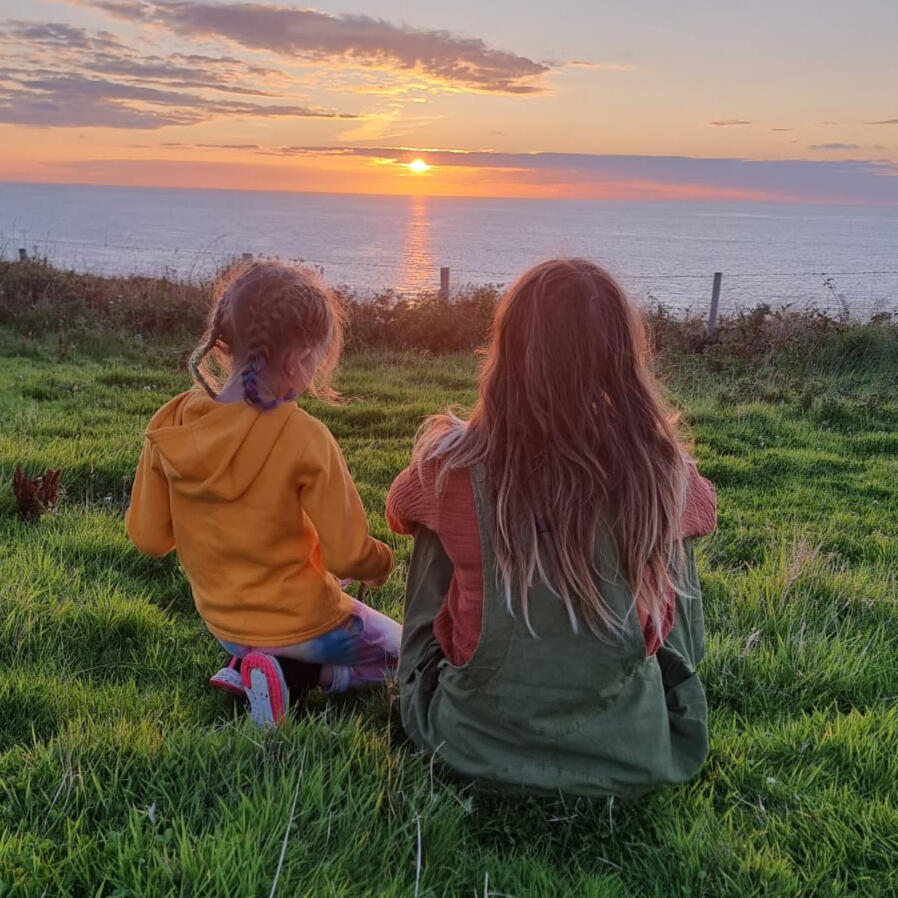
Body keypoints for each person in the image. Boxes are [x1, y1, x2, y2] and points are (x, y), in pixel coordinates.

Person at [386, 258, 717, 798]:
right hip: (630, 751)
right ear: (621, 363)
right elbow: (706, 511)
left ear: (507, 357)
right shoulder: (659, 470)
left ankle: (451, 690)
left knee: (436, 529)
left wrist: (458, 456)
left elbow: (400, 509)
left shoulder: (451, 469)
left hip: (469, 745)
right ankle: (671, 683)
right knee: (667, 528)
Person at [125, 261, 397, 728]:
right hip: (305, 628)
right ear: (297, 360)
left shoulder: (169, 425)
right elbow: (349, 554)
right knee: (407, 651)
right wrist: (380, 564)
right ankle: (296, 675)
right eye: (316, 359)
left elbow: (149, 539)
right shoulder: (304, 436)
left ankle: (247, 665)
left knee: (299, 613)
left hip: (226, 626)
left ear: (225, 340)